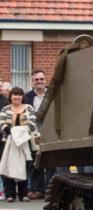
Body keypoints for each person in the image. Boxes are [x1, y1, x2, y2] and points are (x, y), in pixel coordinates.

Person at [0, 87, 37, 202]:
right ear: (10, 97)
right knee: (8, 167)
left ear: (22, 97)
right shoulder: (5, 109)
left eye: (19, 95)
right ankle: (10, 194)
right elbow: (2, 123)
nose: (17, 97)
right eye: (14, 95)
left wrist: (21, 131)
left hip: (25, 142)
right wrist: (10, 130)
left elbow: (32, 123)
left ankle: (23, 194)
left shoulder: (29, 108)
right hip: (8, 142)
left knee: (25, 167)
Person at [24, 69, 48, 198]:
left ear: (45, 80)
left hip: (50, 131)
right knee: (35, 160)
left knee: (50, 161)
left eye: (41, 79)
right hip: (34, 133)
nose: (39, 82)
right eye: (36, 79)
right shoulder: (27, 97)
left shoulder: (52, 94)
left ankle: (49, 189)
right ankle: (37, 189)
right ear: (32, 82)